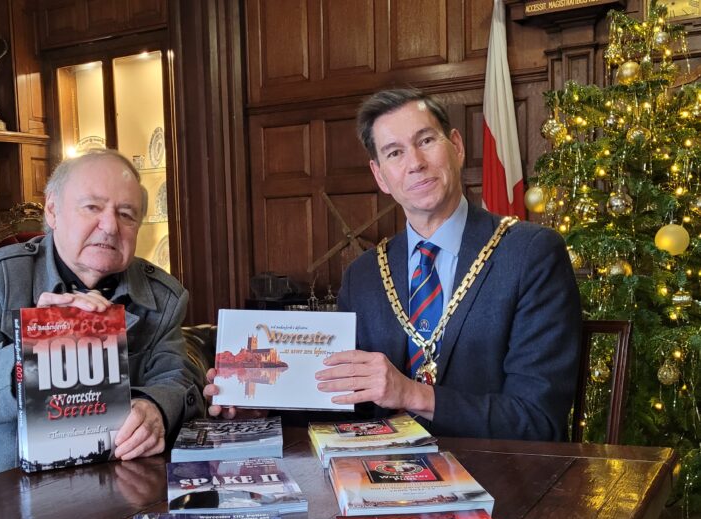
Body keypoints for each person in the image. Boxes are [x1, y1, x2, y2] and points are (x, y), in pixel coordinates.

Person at [206, 87, 581, 442]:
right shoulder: (365, 274)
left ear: (457, 146)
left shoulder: (530, 254)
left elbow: (538, 420)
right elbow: (343, 406)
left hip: (498, 483)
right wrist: (262, 405)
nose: (415, 163)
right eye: (394, 153)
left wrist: (412, 394)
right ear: (380, 175)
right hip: (378, 484)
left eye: (426, 141)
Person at [0, 149, 204, 488]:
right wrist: (31, 353)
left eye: (126, 214)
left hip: (112, 483)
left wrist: (155, 409)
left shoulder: (164, 297)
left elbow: (174, 377)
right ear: (53, 210)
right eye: (92, 207)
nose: (110, 226)